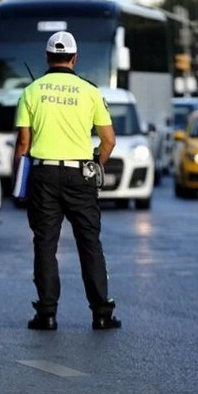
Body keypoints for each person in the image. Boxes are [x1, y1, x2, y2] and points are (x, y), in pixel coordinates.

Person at [13, 31, 120, 331]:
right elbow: (109, 141)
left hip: (43, 176)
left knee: (45, 244)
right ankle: (102, 313)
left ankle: (46, 314)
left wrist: (19, 183)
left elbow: (23, 144)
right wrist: (94, 165)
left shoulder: (31, 91)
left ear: (47, 57)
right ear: (74, 58)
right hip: (79, 175)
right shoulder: (90, 92)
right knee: (89, 243)